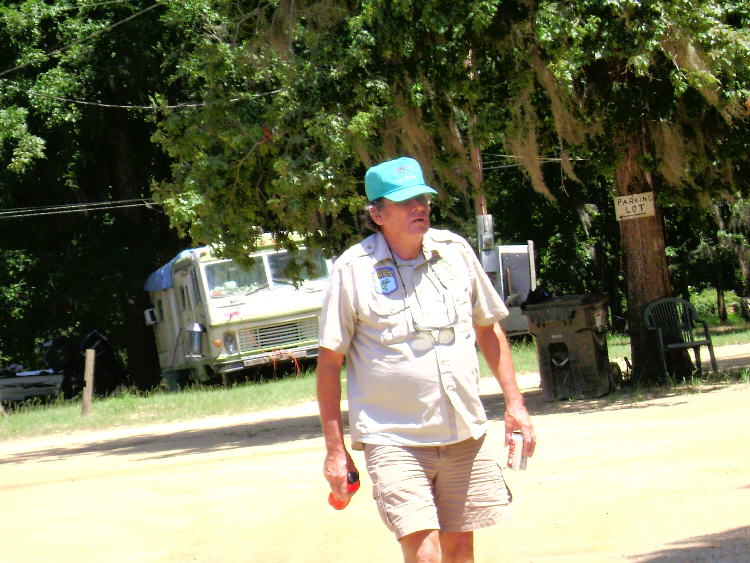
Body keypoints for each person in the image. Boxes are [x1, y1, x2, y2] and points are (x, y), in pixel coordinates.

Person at [316, 156, 535, 563]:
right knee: (426, 556)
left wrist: (515, 405)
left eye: (422, 199)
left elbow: (488, 329)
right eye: (405, 202)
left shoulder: (455, 252)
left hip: (462, 432)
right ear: (377, 214)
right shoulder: (353, 270)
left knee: (460, 554)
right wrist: (335, 450)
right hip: (394, 439)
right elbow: (329, 364)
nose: (418, 207)